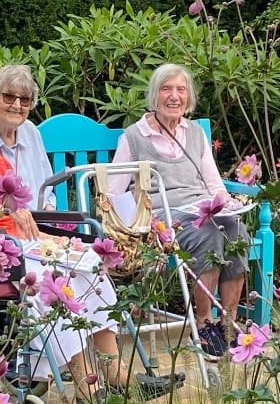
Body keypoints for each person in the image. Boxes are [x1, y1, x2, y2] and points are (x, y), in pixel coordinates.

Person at [0, 91, 163, 404]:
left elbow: (22, 214)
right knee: (52, 284)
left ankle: (116, 374)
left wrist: (48, 235)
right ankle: (86, 385)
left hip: (22, 245)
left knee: (88, 264)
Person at [107, 63, 250, 359]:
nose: (174, 96)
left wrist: (227, 202)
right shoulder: (134, 137)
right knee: (207, 233)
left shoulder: (195, 133)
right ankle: (204, 321)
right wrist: (135, 228)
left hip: (202, 207)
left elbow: (213, 182)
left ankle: (228, 322)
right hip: (164, 216)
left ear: (189, 97)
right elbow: (113, 191)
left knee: (235, 229)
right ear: (154, 95)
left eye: (181, 90)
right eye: (166, 89)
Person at [0, 65, 55, 211]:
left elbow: (47, 188)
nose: (17, 105)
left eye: (24, 100)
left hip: (39, 224)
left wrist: (50, 209)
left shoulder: (30, 131)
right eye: (9, 97)